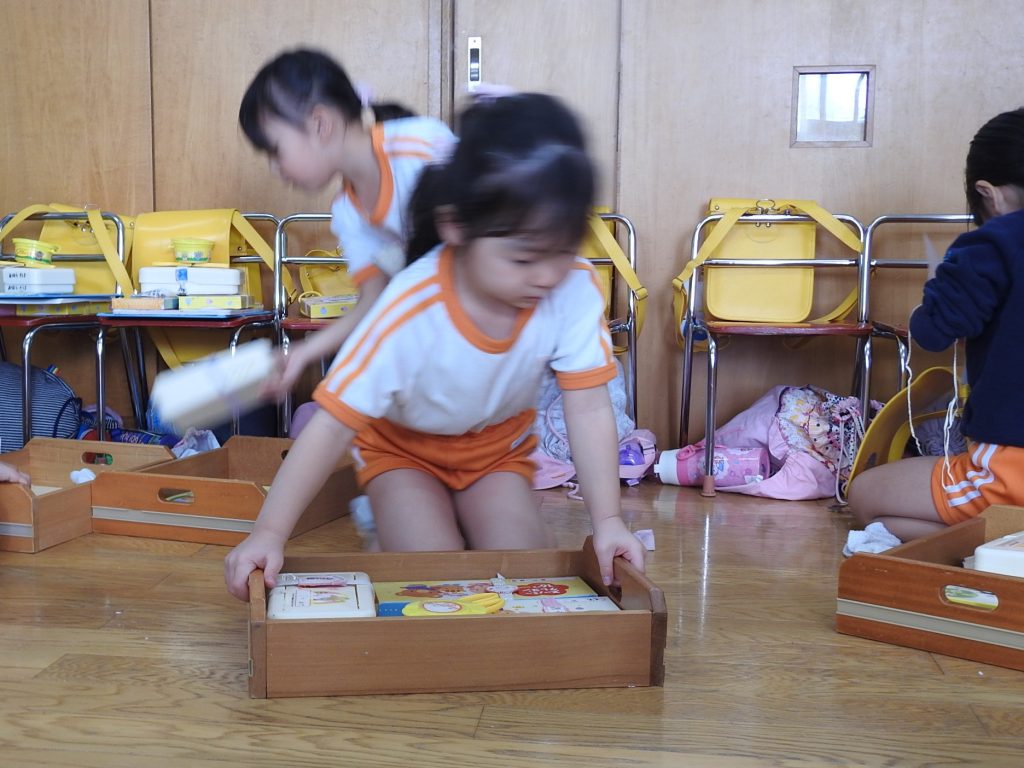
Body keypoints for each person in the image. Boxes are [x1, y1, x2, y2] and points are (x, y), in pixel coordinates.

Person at [224, 92, 645, 600]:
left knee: (526, 576)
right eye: (522, 259)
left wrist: (609, 521)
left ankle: (447, 519)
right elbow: (331, 425)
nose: (546, 275)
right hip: (403, 450)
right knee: (435, 579)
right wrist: (269, 534)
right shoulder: (411, 307)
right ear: (456, 227)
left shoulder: (571, 286)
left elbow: (589, 406)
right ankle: (385, 522)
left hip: (495, 451)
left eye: (562, 250)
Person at [848, 107, 1024, 541]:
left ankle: (1003, 539)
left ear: (987, 192)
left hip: (1013, 469)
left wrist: (930, 299)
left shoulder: (995, 241)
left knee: (865, 496)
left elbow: (933, 333)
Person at [239, 48, 455, 397]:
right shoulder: (348, 212)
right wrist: (302, 354)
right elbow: (373, 299)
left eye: (275, 151)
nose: (275, 169)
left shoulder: (422, 146)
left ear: (320, 125)